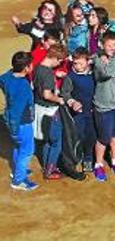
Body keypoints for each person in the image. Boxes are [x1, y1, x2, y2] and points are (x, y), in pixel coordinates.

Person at [92, 32, 115, 181]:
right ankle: (98, 164)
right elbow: (106, 74)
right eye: (109, 45)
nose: (113, 48)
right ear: (102, 45)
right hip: (104, 107)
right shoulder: (98, 60)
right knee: (103, 138)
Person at [1, 51, 38, 191]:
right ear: (26, 68)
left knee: (18, 146)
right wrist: (14, 128)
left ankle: (17, 170)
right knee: (27, 150)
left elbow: (2, 79)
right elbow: (17, 112)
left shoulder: (8, 77)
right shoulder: (23, 86)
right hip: (21, 124)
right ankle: (18, 180)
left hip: (11, 120)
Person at [33, 43, 67, 180]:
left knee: (47, 140)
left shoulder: (38, 68)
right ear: (53, 57)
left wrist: (55, 75)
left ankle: (46, 165)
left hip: (39, 109)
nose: (59, 63)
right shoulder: (47, 73)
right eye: (59, 60)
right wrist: (59, 100)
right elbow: (47, 95)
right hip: (49, 110)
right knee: (56, 141)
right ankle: (50, 170)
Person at [60, 47, 97, 173]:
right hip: (78, 114)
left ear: (88, 62)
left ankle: (88, 157)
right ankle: (77, 157)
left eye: (81, 63)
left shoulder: (95, 74)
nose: (78, 66)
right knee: (78, 136)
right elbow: (65, 93)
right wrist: (72, 102)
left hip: (92, 112)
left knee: (91, 136)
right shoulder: (70, 76)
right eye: (75, 63)